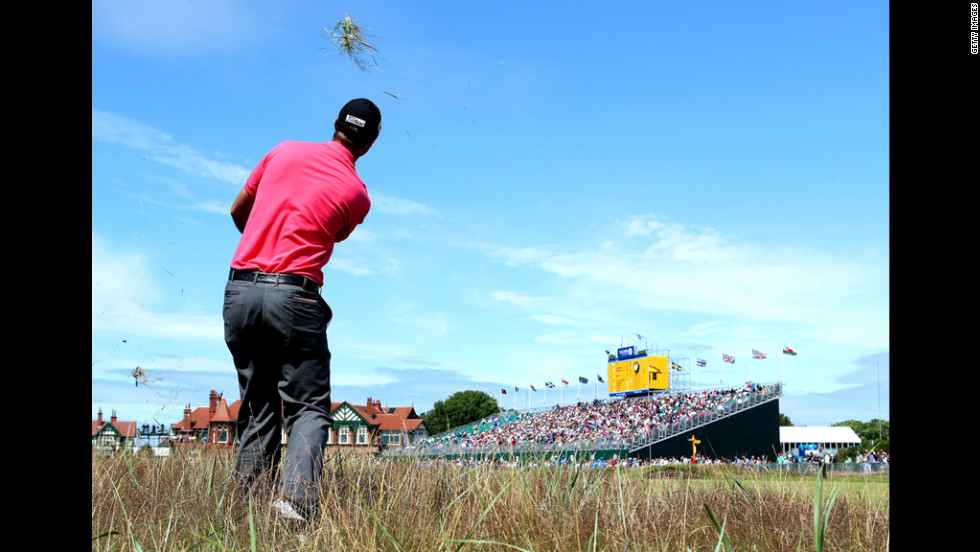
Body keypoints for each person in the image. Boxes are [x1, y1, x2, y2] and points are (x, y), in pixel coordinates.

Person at [223, 98, 381, 524]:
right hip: (295, 296)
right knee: (308, 407)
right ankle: (294, 504)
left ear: (333, 123)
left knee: (258, 406)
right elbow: (332, 234)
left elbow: (238, 209)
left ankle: (245, 514)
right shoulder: (357, 194)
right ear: (371, 142)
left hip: (239, 290)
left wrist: (259, 249)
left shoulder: (283, 150)